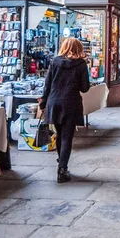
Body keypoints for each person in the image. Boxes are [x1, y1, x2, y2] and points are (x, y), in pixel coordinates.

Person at [39, 37, 90, 183]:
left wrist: (43, 102)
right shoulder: (81, 64)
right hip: (71, 103)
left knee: (60, 134)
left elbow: (47, 84)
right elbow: (84, 88)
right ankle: (62, 169)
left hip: (54, 102)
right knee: (67, 136)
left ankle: (61, 162)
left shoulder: (55, 62)